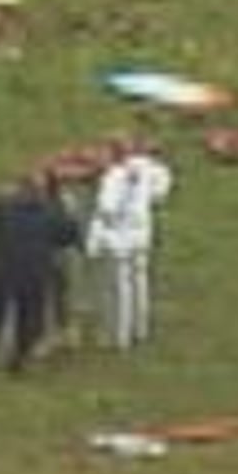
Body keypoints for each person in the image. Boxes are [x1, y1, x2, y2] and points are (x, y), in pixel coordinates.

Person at [0, 172, 76, 374]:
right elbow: (68, 236)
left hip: (1, 268)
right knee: (29, 317)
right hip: (34, 271)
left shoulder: (3, 208)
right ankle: (19, 359)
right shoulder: (51, 213)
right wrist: (64, 208)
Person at [86, 133, 176, 350]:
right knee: (140, 284)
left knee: (120, 288)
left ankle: (120, 336)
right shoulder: (150, 170)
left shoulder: (114, 175)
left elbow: (107, 208)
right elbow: (160, 192)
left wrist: (96, 237)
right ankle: (141, 329)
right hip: (142, 233)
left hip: (119, 237)